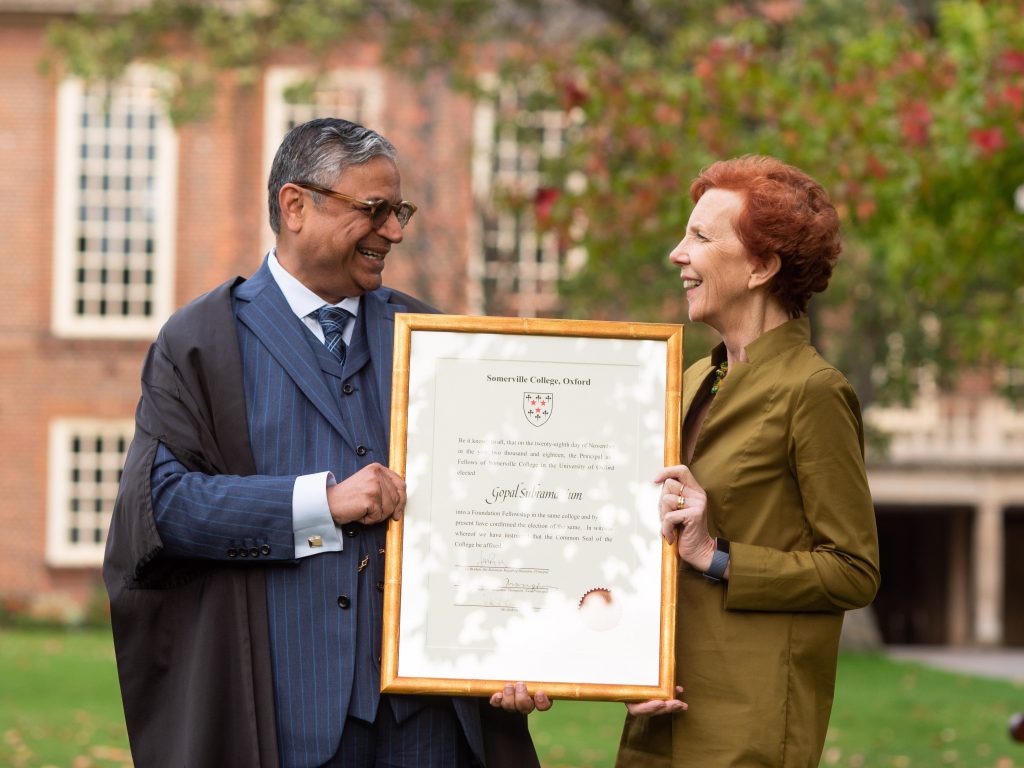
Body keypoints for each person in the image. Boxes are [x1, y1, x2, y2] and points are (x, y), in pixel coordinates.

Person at [105, 117, 547, 768]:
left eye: (399, 212)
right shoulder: (201, 341)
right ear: (295, 207)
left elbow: (504, 507)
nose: (393, 231)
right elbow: (163, 508)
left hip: (434, 722)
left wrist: (529, 640)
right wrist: (324, 504)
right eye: (373, 210)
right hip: (285, 721)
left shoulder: (438, 341)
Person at [616, 155, 881, 767]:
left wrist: (717, 556)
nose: (676, 254)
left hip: (747, 730)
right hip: (657, 715)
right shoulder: (688, 379)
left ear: (762, 266)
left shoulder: (814, 390)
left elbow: (853, 570)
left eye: (701, 237)